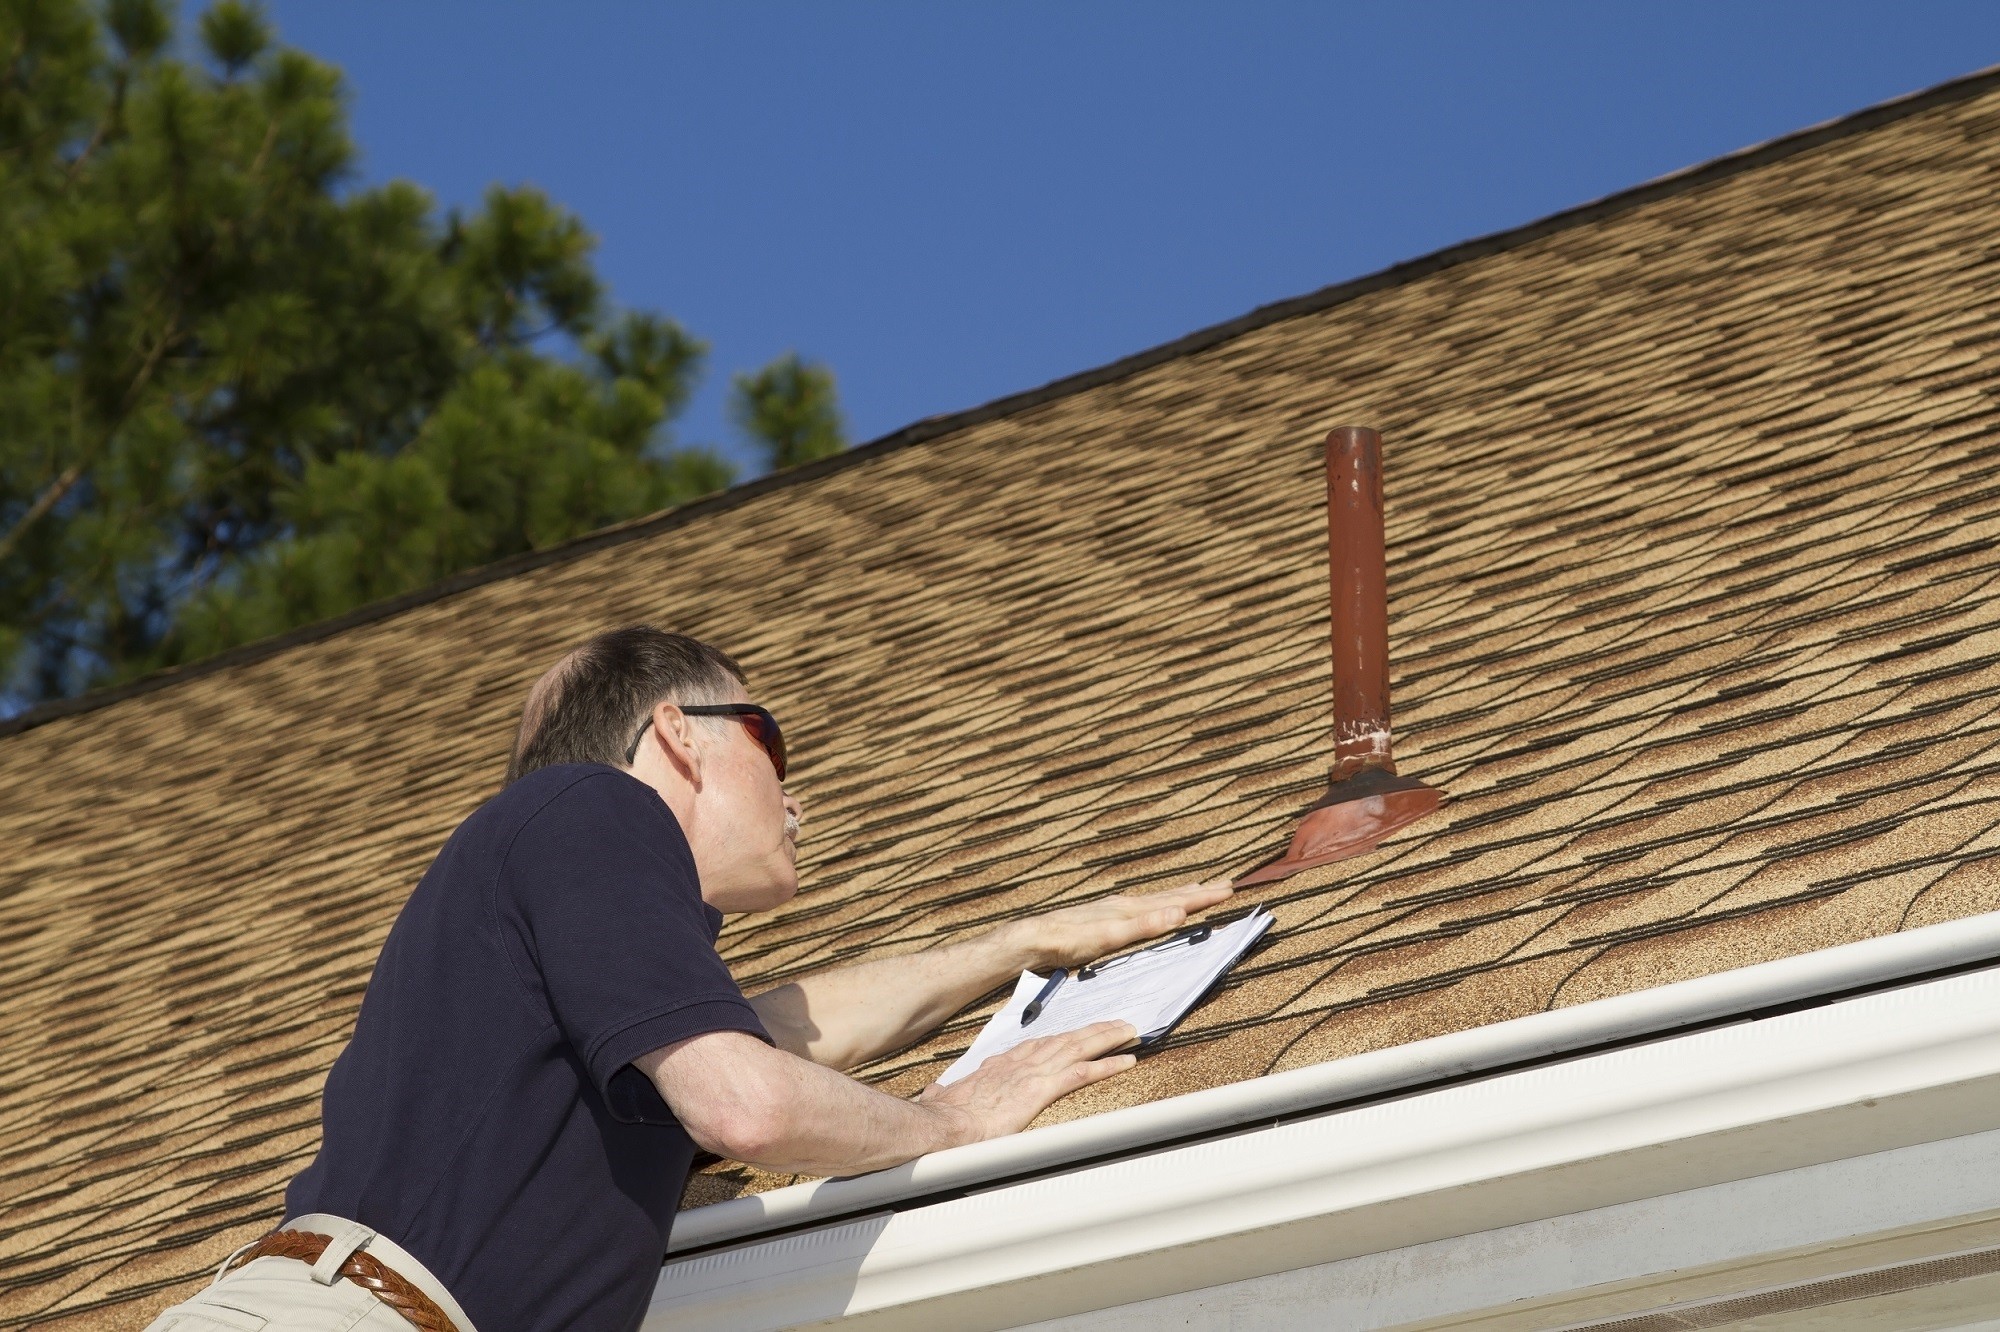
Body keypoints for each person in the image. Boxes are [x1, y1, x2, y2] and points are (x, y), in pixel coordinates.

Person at [146, 626, 1232, 1332]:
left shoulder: (567, 958)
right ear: (673, 732)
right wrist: (948, 1121)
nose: (796, 799)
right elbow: (748, 1101)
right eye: (771, 741)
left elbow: (780, 1036)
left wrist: (1025, 944)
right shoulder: (590, 805)